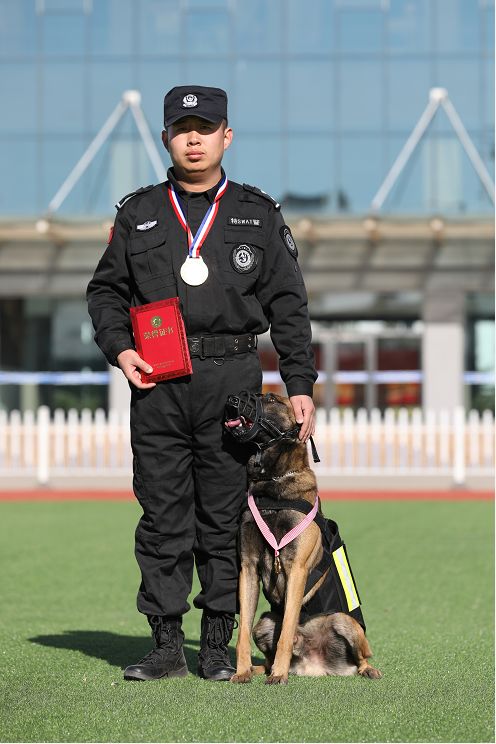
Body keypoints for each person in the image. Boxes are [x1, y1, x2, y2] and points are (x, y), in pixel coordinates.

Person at [86, 85, 317, 682]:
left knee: (222, 514)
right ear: (165, 137)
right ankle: (166, 644)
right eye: (182, 128)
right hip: (157, 380)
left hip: (232, 380)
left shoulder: (257, 214)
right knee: (163, 513)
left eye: (205, 127)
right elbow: (106, 292)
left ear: (226, 136)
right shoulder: (137, 213)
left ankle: (217, 644)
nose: (193, 138)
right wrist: (120, 348)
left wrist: (299, 383)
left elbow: (288, 305)